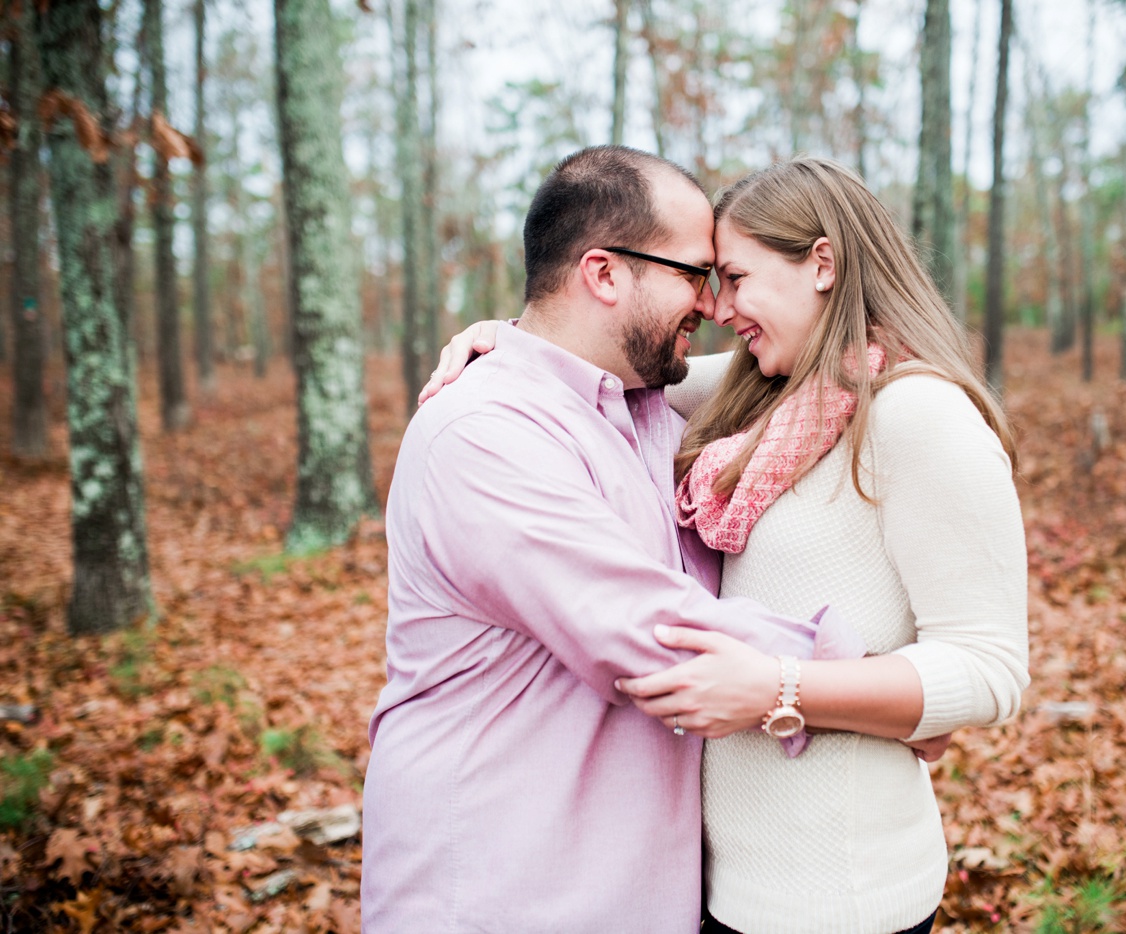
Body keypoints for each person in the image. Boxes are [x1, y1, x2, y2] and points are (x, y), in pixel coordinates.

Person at [429, 156, 1029, 934]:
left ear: (822, 264)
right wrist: (501, 339)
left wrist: (785, 689)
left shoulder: (919, 417)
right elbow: (602, 358)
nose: (719, 307)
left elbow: (990, 668)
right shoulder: (760, 394)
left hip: (840, 900)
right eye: (710, 279)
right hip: (721, 891)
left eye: (737, 278)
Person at [361, 146, 870, 934]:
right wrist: (880, 690)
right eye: (694, 275)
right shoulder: (481, 432)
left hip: (644, 897)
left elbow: (776, 370)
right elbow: (650, 630)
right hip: (501, 898)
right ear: (603, 273)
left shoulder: (649, 419)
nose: (709, 304)